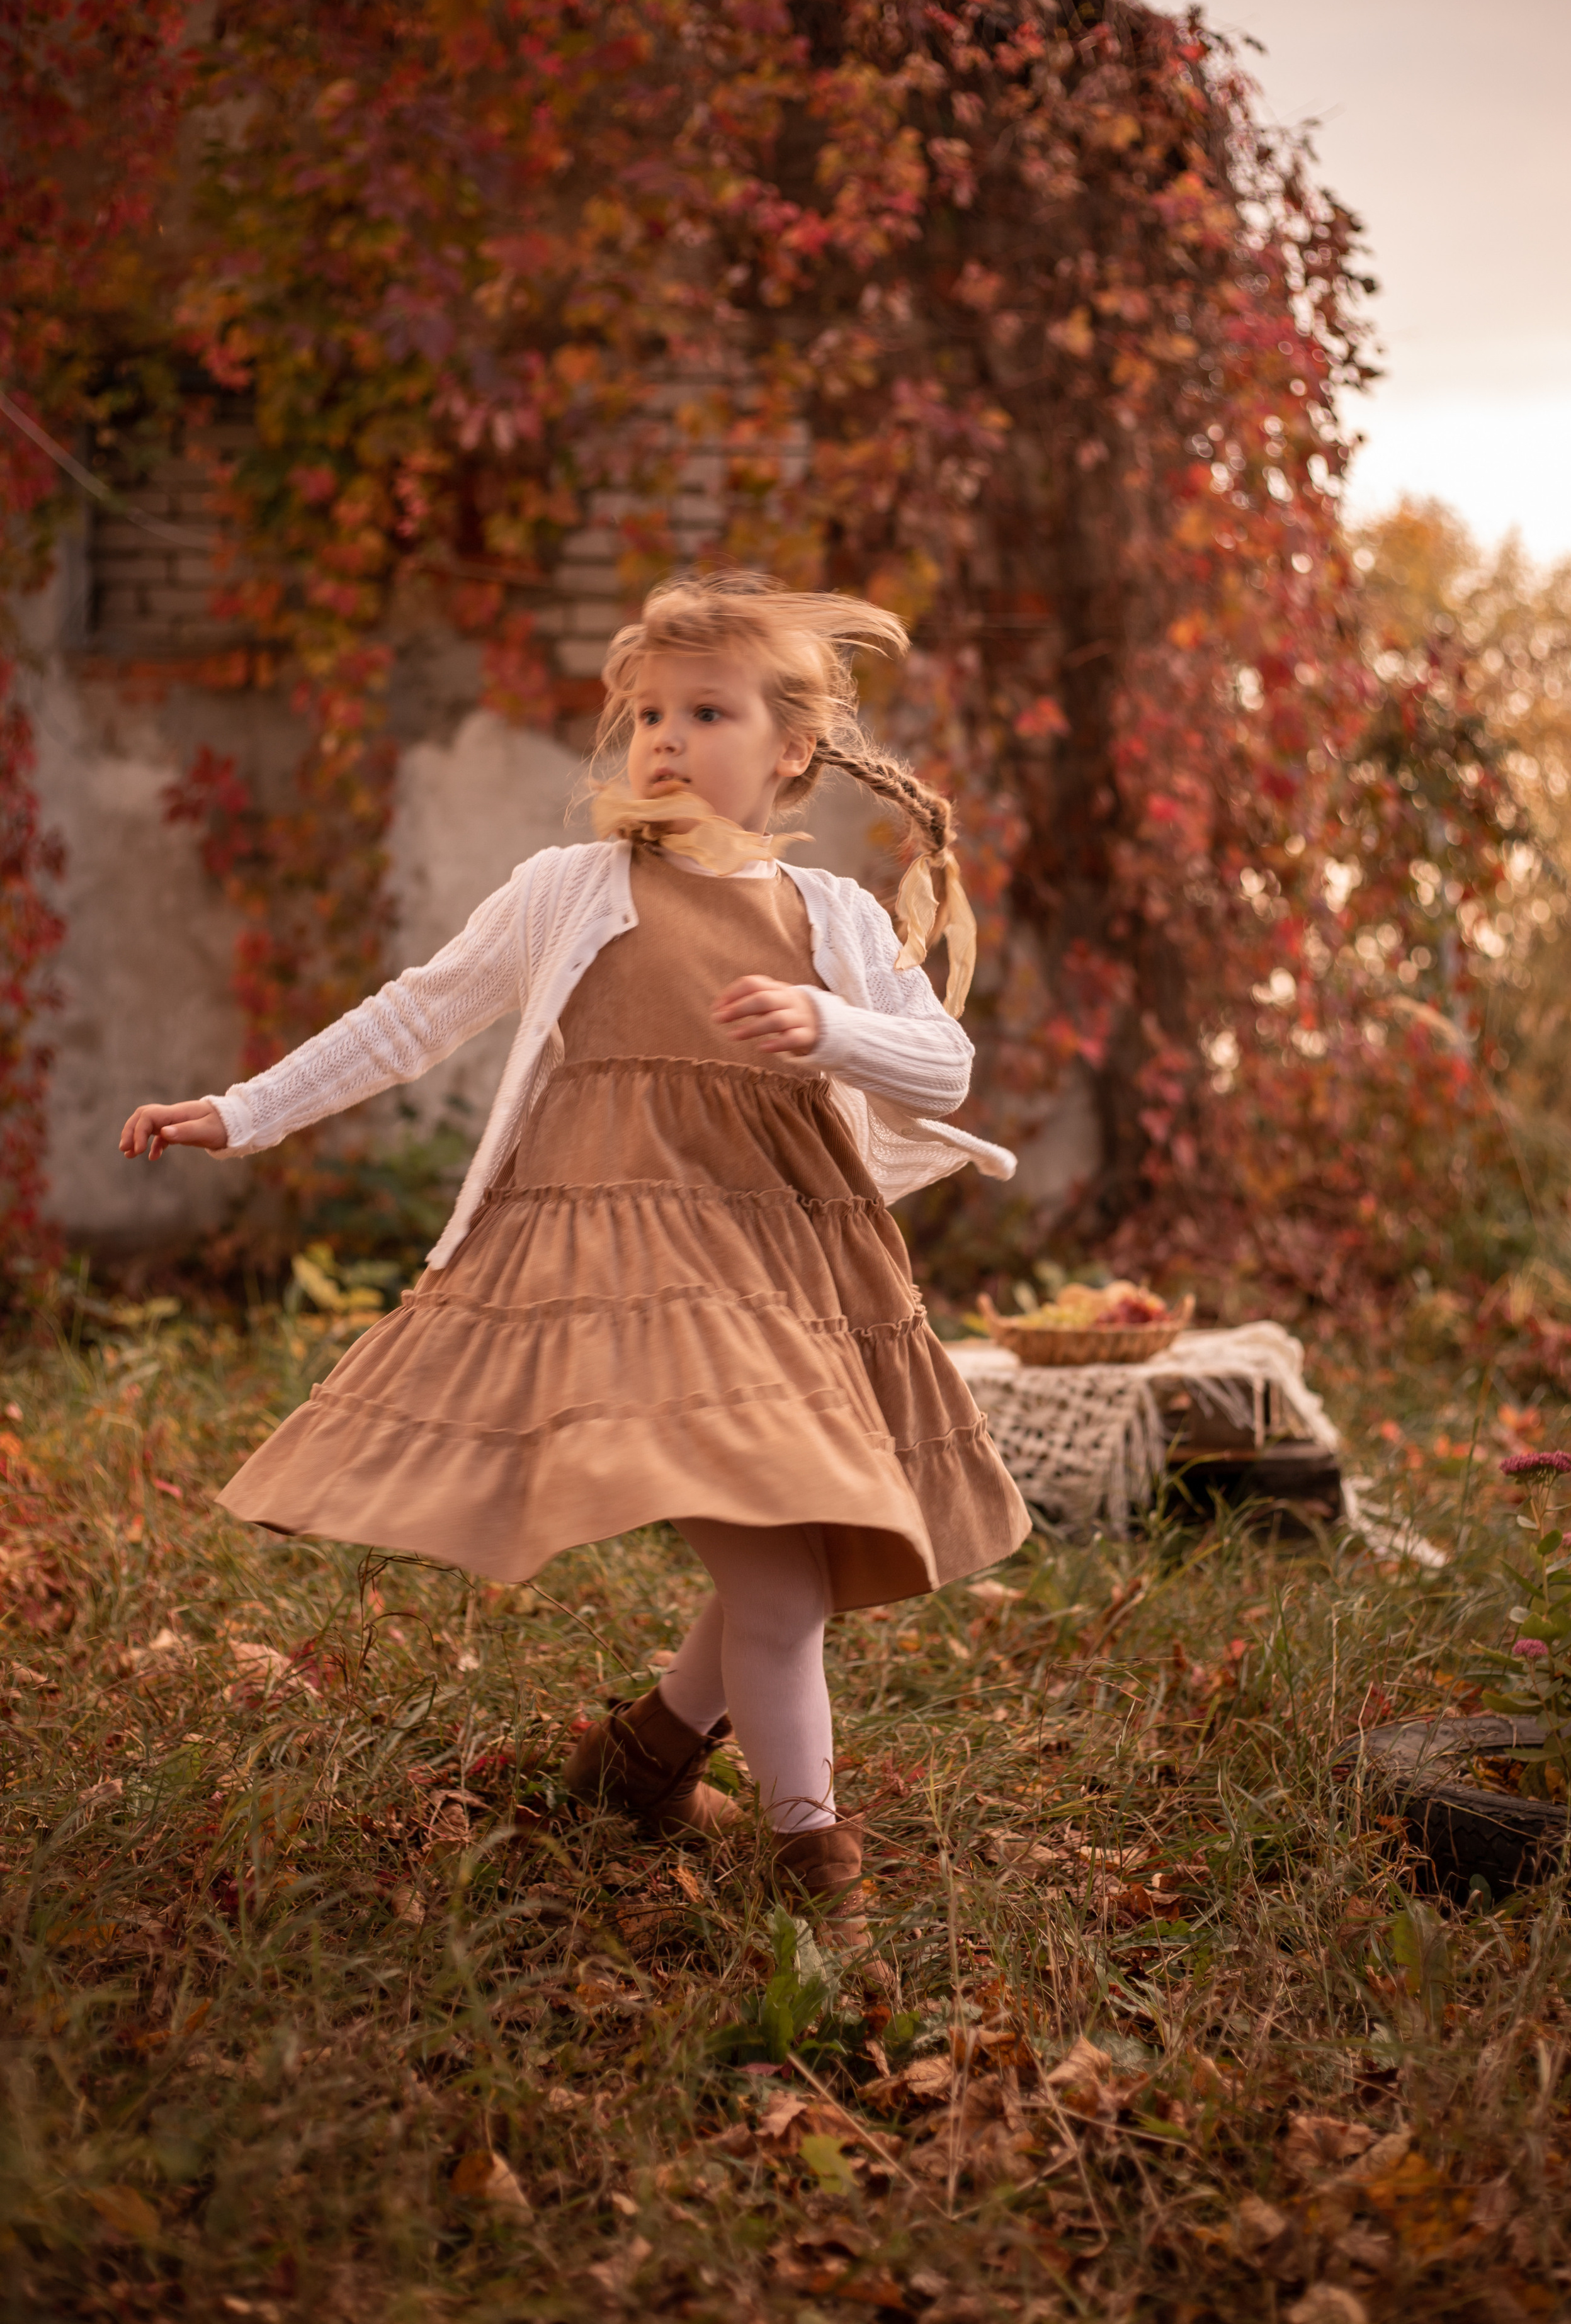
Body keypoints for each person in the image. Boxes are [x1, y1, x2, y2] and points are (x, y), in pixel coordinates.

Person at [120, 571, 1029, 1944]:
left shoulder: (831, 914)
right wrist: (242, 1111)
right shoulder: (570, 889)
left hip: (785, 1253)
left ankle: (643, 1759)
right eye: (649, 714)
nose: (666, 738)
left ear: (790, 748)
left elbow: (943, 1066)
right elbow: (416, 1013)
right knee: (782, 1571)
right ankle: (812, 1856)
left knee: (800, 1539)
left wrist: (829, 1028)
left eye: (707, 712)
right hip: (621, 1254)